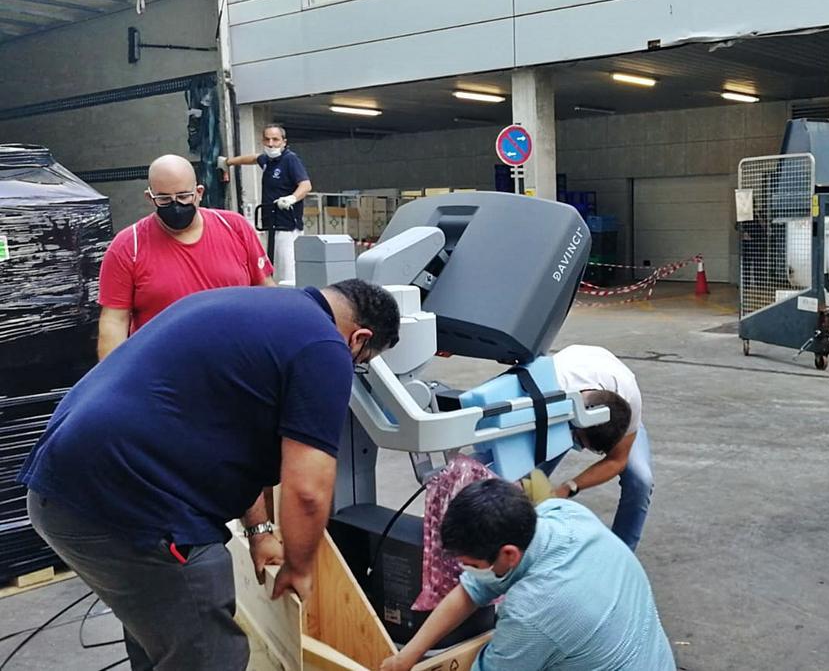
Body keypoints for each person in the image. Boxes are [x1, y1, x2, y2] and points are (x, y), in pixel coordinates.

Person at [19, 279, 400, 671]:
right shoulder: (324, 346)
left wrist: (259, 531)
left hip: (65, 485)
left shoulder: (259, 308)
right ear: (358, 339)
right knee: (207, 639)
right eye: (360, 362)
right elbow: (307, 490)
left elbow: (237, 440)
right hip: (120, 499)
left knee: (163, 625)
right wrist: (300, 569)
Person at [379, 479, 675, 671]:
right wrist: (406, 658)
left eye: (472, 564)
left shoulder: (533, 611)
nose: (467, 571)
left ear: (508, 554)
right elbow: (471, 590)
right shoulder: (563, 513)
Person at [98, 153, 274, 360]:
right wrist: (112, 381)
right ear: (150, 197)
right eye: (164, 199)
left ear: (199, 192)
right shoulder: (129, 246)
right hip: (165, 371)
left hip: (237, 362)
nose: (176, 206)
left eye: (183, 197)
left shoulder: (235, 227)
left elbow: (267, 294)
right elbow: (114, 321)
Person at [543, 344, 652, 551]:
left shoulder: (629, 398)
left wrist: (568, 487)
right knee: (529, 476)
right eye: (581, 442)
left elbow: (617, 460)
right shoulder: (550, 387)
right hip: (559, 407)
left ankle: (621, 555)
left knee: (641, 480)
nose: (581, 450)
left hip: (604, 398)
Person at [220, 123, 312, 283]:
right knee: (271, 272)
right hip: (270, 224)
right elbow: (254, 158)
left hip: (287, 227)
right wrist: (228, 162)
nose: (271, 144)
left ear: (284, 141)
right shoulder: (268, 160)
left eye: (275, 140)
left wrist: (291, 198)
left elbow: (305, 185)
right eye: (267, 139)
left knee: (287, 275)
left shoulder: (289, 160)